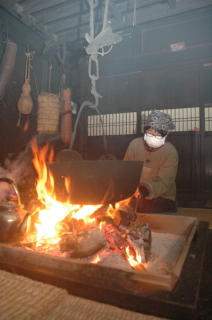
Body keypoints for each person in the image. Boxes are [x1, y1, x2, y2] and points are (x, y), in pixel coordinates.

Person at [124, 109, 178, 214]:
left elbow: (165, 182)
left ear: (166, 134)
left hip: (161, 196)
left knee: (146, 207)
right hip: (136, 193)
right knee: (119, 204)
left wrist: (146, 189)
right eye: (149, 132)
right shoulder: (135, 145)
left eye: (157, 134)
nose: (152, 136)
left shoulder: (170, 152)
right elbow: (126, 171)